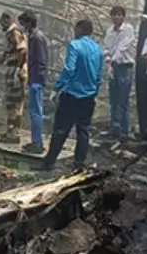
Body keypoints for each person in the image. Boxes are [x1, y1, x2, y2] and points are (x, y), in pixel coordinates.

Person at [42, 19, 102, 171]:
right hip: (88, 96)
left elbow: (69, 69)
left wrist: (57, 88)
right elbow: (99, 75)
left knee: (61, 129)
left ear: (80, 29)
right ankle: (79, 164)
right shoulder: (97, 49)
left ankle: (50, 161)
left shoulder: (74, 45)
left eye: (76, 28)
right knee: (83, 130)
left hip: (72, 94)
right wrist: (94, 91)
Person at [0, 12, 28, 145]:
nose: (1, 25)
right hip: (12, 69)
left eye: (2, 22)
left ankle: (13, 133)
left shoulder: (14, 32)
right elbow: (5, 55)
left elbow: (22, 50)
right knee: (13, 102)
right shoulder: (9, 34)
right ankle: (12, 131)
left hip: (16, 70)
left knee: (13, 103)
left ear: (8, 20)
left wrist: (18, 69)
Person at [102, 5, 136, 138]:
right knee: (114, 99)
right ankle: (114, 128)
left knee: (123, 99)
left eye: (119, 14)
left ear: (123, 16)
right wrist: (108, 60)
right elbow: (106, 47)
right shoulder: (110, 31)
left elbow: (122, 47)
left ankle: (124, 130)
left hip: (124, 66)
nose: (116, 17)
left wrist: (113, 61)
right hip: (113, 67)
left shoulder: (128, 29)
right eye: (114, 14)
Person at [18, 10, 48, 154]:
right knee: (34, 112)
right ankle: (36, 141)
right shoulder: (32, 36)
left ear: (29, 23)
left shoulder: (37, 37)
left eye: (23, 23)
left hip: (37, 79)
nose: (23, 26)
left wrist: (38, 80)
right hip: (33, 78)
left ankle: (37, 144)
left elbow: (41, 61)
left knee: (36, 113)